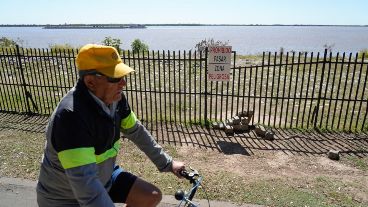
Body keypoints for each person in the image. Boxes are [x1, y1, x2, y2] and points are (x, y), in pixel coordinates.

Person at [36, 44, 185, 207]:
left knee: (150, 195)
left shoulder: (116, 100)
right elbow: (88, 190)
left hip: (103, 178)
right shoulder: (71, 117)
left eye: (123, 76)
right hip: (64, 198)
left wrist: (167, 163)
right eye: (115, 78)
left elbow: (136, 131)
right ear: (90, 82)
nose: (123, 83)